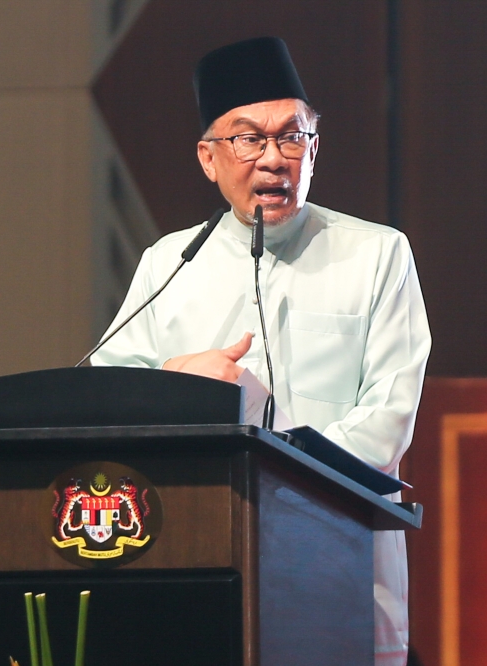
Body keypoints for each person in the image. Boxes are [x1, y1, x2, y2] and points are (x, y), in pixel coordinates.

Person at [90, 37, 431, 666]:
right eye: (249, 139)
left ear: (314, 148)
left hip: (338, 567)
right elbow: (99, 393)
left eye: (292, 137)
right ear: (208, 158)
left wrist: (275, 483)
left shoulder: (377, 254)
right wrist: (174, 379)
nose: (274, 159)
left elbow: (388, 420)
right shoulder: (168, 263)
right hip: (193, 561)